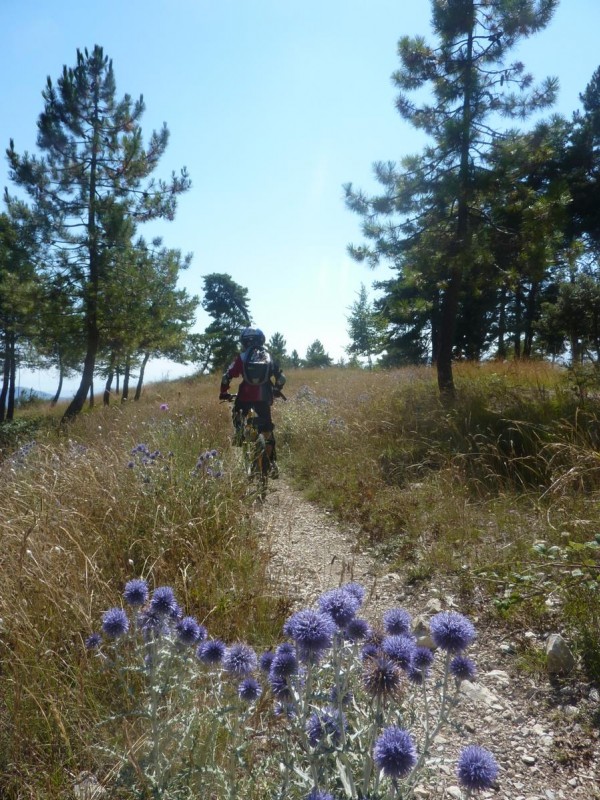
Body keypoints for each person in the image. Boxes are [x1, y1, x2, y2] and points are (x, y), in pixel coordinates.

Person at [219, 328, 286, 476]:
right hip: (264, 397)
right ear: (262, 340)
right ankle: (272, 463)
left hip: (245, 397)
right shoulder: (268, 357)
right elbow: (281, 378)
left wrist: (224, 393)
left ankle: (239, 434)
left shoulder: (242, 357)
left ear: (243, 342)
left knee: (237, 413)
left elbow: (226, 377)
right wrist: (276, 389)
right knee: (267, 430)